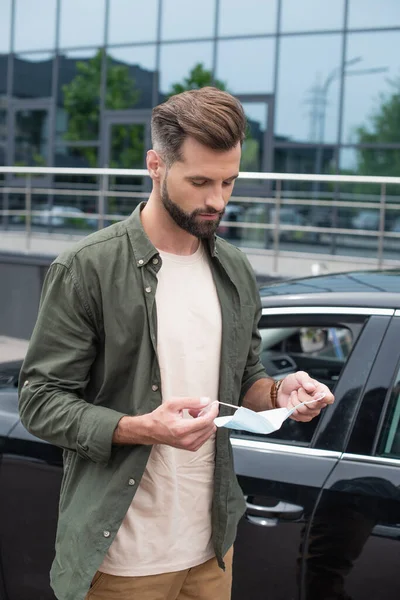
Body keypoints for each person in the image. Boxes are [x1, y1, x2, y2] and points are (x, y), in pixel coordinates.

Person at [18, 86, 334, 600]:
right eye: (200, 181)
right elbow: (40, 400)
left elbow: (244, 376)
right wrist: (142, 428)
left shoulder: (233, 267)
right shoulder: (87, 269)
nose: (217, 199)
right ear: (155, 165)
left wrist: (281, 394)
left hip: (211, 550)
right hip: (120, 558)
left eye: (229, 181)